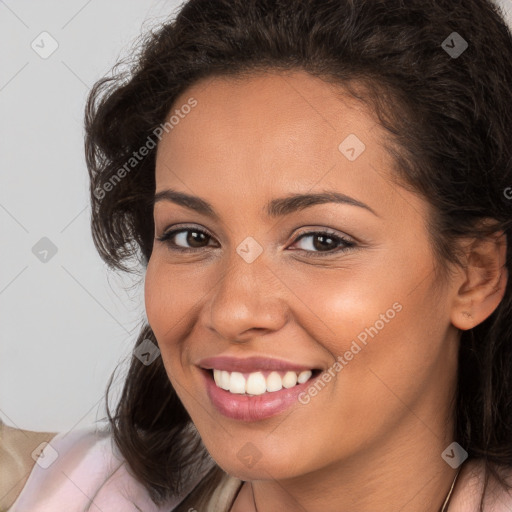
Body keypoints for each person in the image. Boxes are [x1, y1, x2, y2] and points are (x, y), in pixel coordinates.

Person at [4, 0, 512, 510]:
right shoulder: (44, 490)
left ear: (476, 275)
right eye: (192, 237)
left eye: (320, 241)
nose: (233, 312)